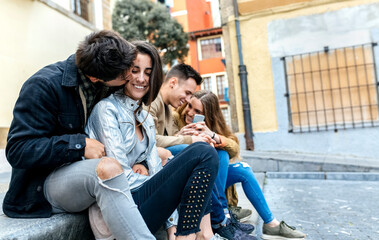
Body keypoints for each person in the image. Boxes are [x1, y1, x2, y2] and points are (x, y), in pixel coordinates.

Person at [4, 30, 161, 239]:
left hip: (85, 176)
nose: (130, 76)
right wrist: (78, 144)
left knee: (162, 157)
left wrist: (143, 162)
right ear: (97, 77)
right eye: (125, 73)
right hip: (41, 188)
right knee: (107, 168)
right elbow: (17, 150)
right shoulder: (44, 85)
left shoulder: (103, 84)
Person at [85, 41, 224, 240]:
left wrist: (171, 230)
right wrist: (163, 179)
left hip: (145, 204)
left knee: (203, 155)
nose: (141, 78)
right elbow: (121, 180)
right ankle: (196, 236)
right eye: (135, 70)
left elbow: (156, 168)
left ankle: (187, 236)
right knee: (202, 153)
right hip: (122, 210)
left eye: (148, 72)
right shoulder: (107, 110)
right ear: (124, 71)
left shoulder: (145, 117)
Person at [174, 90, 307, 240]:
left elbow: (234, 147)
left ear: (208, 115)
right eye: (189, 106)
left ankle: (271, 225)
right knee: (220, 154)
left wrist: (213, 135)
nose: (190, 112)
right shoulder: (175, 118)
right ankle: (223, 218)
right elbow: (168, 148)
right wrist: (183, 137)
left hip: (211, 176)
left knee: (239, 166)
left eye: (197, 111)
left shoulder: (210, 127)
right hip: (187, 175)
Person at [148, 64, 254, 240]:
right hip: (157, 162)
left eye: (197, 111)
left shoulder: (167, 108)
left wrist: (207, 135)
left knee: (220, 154)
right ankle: (219, 221)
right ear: (173, 82)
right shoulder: (155, 103)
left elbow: (234, 146)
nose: (188, 101)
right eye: (188, 94)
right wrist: (189, 139)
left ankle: (226, 219)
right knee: (203, 153)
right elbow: (149, 140)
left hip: (170, 157)